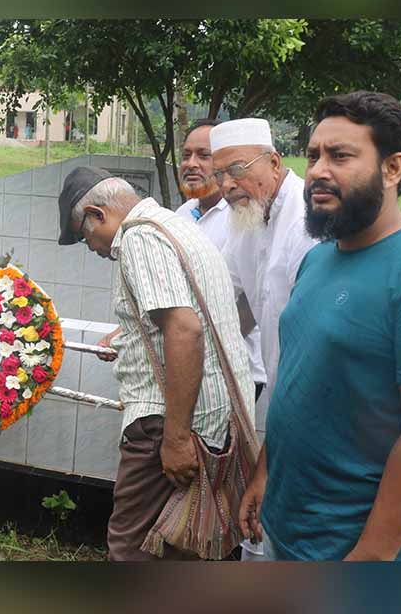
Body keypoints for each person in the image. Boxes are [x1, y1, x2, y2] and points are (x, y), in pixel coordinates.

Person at [240, 91, 401, 561]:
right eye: (313, 156)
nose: (318, 171)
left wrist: (372, 555)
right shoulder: (319, 259)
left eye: (340, 156)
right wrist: (265, 471)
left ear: (393, 168)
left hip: (353, 547)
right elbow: (299, 380)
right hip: (285, 526)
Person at [57, 166, 254, 561]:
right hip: (213, 419)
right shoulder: (174, 226)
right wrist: (129, 337)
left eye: (83, 235)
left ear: (97, 214)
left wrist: (175, 439)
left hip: (169, 424)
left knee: (131, 549)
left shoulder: (140, 238)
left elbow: (185, 329)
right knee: (177, 549)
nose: (91, 247)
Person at [210, 118, 318, 433]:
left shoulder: (308, 221)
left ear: (274, 163)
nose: (226, 185)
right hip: (280, 393)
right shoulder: (247, 217)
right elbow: (219, 290)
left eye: (237, 170)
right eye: (219, 175)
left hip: (318, 394)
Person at [173, 119, 267, 403]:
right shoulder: (183, 214)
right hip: (188, 365)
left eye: (204, 155)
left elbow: (250, 300)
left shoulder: (243, 214)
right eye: (186, 155)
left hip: (232, 372)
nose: (191, 164)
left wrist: (206, 347)